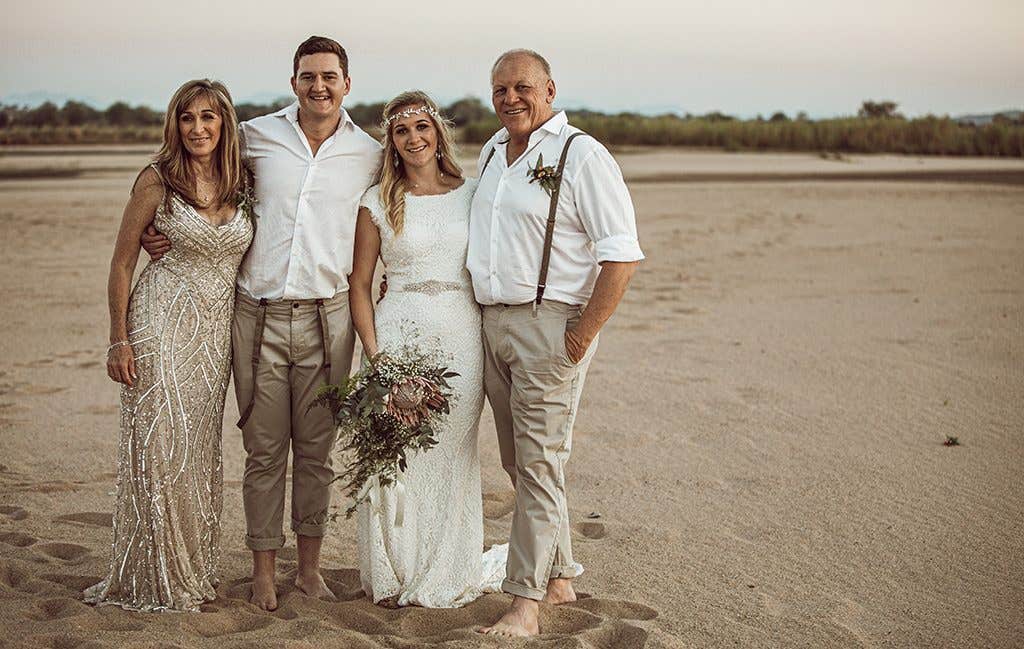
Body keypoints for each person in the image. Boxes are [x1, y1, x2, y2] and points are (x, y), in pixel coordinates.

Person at [141, 36, 382, 611]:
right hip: (257, 316)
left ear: (347, 83)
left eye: (329, 76)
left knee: (318, 453)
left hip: (331, 319)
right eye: (307, 76)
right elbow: (191, 170)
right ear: (293, 81)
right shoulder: (253, 137)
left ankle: (311, 570)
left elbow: (401, 212)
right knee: (265, 450)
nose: (318, 86)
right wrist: (159, 228)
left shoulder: (371, 153)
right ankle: (263, 570)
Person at [469, 50, 644, 636]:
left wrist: (579, 336)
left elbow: (620, 257)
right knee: (520, 461)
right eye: (500, 89)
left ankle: (525, 604)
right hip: (492, 324)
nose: (510, 98)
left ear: (549, 89)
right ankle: (562, 574)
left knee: (541, 461)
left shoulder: (582, 155)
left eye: (522, 87)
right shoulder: (494, 150)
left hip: (551, 326)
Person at [86, 79, 254, 612]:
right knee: (159, 444)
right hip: (159, 321)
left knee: (196, 449)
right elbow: (122, 262)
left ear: (224, 123)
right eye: (187, 118)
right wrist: (117, 339)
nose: (198, 128)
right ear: (174, 125)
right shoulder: (157, 180)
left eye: (208, 117)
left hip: (215, 333)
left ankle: (192, 569)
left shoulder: (242, 180)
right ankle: (152, 576)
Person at [349, 90, 505, 608]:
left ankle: (448, 568)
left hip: (461, 334)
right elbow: (361, 285)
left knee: (451, 454)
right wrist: (379, 359)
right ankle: (394, 573)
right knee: (396, 455)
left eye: (422, 127)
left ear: (438, 133)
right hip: (397, 333)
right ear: (390, 142)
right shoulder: (378, 200)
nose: (414, 139)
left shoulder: (474, 192)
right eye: (401, 131)